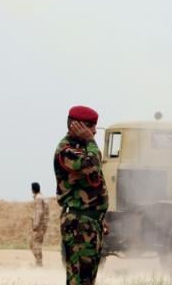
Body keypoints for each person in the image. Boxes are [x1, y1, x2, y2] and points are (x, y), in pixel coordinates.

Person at [54, 105, 109, 285]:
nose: (94, 131)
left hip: (90, 222)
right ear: (75, 125)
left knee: (88, 279)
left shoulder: (84, 147)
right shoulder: (66, 150)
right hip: (78, 223)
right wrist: (90, 141)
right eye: (89, 125)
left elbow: (94, 184)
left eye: (94, 126)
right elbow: (92, 165)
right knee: (78, 280)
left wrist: (99, 216)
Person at [30, 182, 49, 266]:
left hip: (39, 225)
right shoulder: (43, 197)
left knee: (34, 244)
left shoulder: (38, 198)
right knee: (36, 243)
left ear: (33, 189)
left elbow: (39, 212)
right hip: (43, 224)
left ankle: (39, 264)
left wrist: (35, 224)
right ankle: (38, 262)